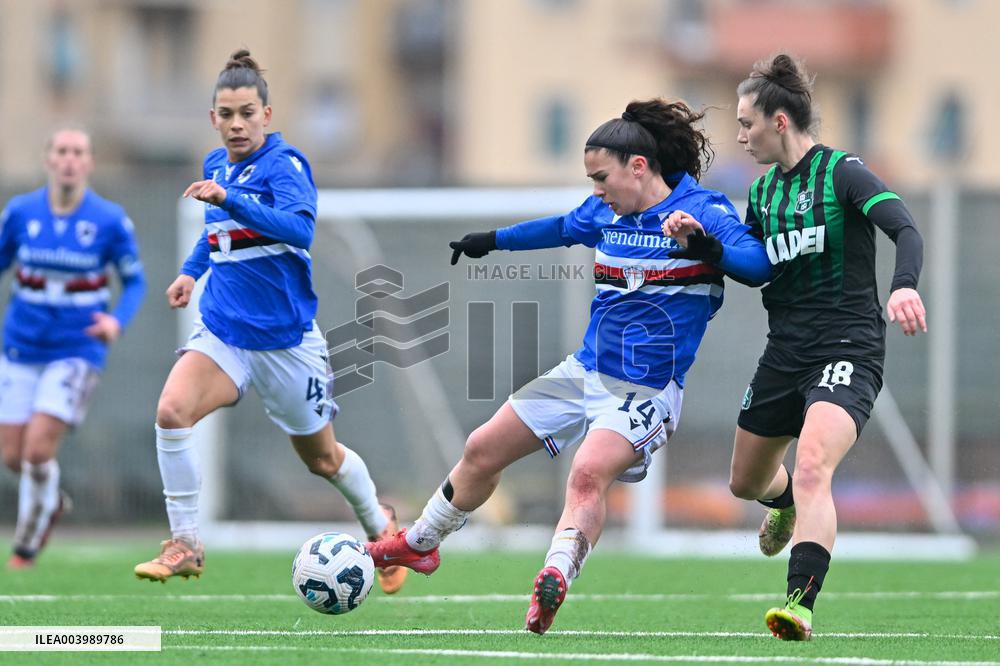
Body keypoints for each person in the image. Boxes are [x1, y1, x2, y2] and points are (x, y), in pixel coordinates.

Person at [366, 98, 772, 634]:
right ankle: (419, 546)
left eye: (601, 177)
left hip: (645, 391)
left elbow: (759, 266)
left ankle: (554, 576)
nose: (595, 190)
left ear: (639, 167)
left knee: (586, 473)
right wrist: (491, 242)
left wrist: (702, 245)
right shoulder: (604, 212)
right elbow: (558, 228)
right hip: (583, 372)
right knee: (481, 449)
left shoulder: (703, 209)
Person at [665, 54, 927, 641]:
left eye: (746, 123)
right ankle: (779, 506)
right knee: (745, 483)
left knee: (812, 466)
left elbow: (904, 227)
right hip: (785, 351)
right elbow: (756, 270)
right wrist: (704, 244)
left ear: (779, 121)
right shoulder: (761, 195)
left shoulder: (843, 173)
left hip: (849, 345)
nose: (739, 135)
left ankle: (799, 603)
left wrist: (904, 286)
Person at [133, 49, 406, 594]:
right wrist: (191, 273)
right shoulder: (216, 166)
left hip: (287, 342)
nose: (237, 124)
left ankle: (380, 527)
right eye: (227, 114)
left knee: (323, 460)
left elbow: (299, 230)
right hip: (224, 331)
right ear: (213, 119)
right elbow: (216, 234)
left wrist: (231, 199)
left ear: (268, 115)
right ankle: (185, 544)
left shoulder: (286, 165)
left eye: (248, 113)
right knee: (171, 411)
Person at [0, 128, 146, 569]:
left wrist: (115, 321)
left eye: (77, 152)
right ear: (48, 158)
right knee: (12, 457)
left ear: (89, 163)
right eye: (61, 151)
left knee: (38, 451)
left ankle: (28, 542)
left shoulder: (109, 219)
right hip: (21, 345)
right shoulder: (21, 212)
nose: (69, 160)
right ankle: (52, 502)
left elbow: (135, 280)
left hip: (76, 349)